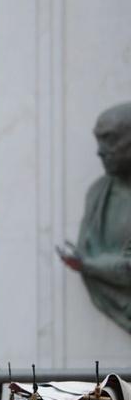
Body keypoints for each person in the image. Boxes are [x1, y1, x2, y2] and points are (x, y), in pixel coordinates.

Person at [57, 101, 131, 333]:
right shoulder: (97, 194)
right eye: (98, 140)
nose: (100, 151)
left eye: (110, 139)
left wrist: (87, 265)